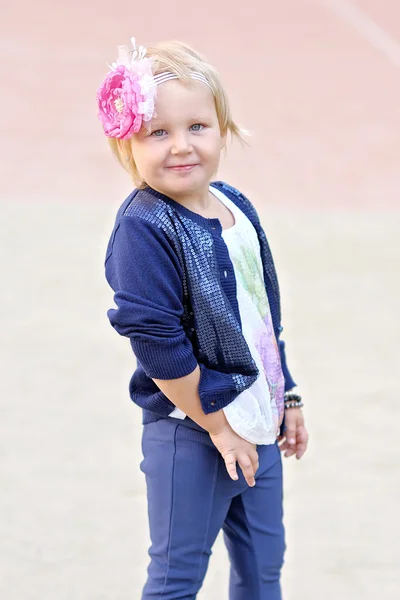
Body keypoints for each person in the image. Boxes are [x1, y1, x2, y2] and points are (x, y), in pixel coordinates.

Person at [98, 37, 309, 600]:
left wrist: (286, 394)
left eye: (197, 127)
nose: (181, 146)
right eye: (158, 132)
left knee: (264, 570)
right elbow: (159, 344)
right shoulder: (144, 228)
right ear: (128, 143)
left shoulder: (236, 204)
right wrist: (218, 427)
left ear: (223, 128)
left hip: (257, 425)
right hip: (190, 431)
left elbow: (262, 318)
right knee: (176, 578)